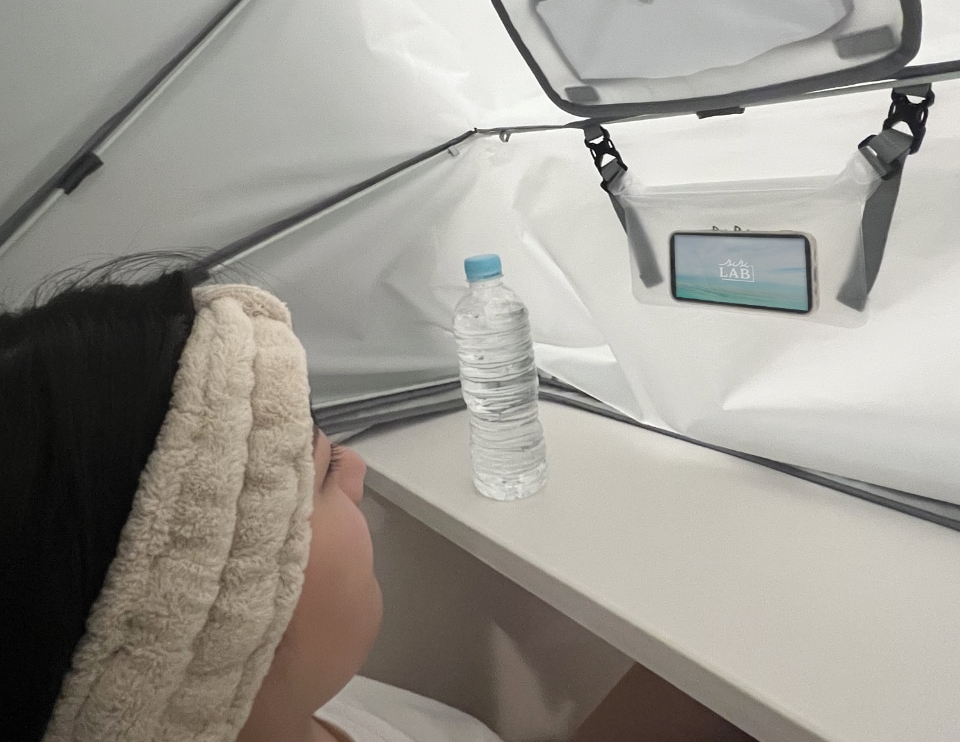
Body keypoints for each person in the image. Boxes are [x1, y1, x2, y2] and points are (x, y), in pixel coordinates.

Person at [0, 262, 755, 742]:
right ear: (204, 608)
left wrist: (711, 656)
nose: (357, 472)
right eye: (325, 471)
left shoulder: (314, 701)